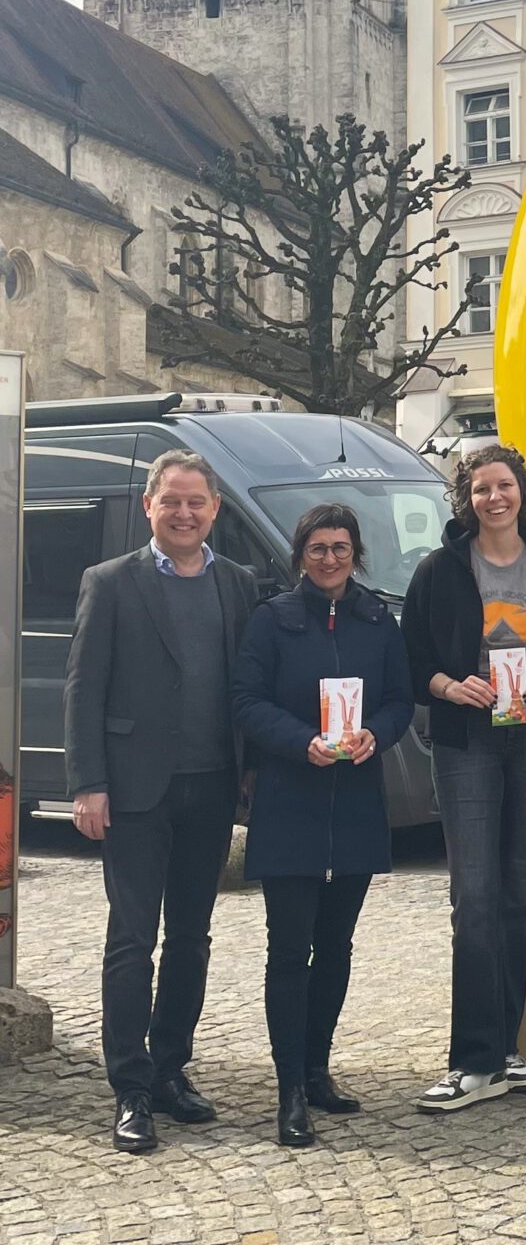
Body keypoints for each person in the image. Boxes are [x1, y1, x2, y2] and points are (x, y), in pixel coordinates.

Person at [63, 450, 257, 1153]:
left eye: (195, 502)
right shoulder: (110, 581)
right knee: (131, 940)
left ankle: (172, 1070)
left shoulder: (237, 583)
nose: (183, 513)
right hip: (134, 791)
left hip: (212, 786)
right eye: (171, 500)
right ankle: (131, 1089)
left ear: (214, 510)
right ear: (149, 506)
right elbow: (83, 687)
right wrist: (87, 783)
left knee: (192, 939)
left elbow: (246, 685)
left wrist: (252, 772)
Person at [401, 442, 526, 1111]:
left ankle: (505, 1049)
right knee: (473, 896)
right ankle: (473, 1060)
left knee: (515, 895)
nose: (493, 498)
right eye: (480, 489)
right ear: (466, 499)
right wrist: (450, 686)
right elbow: (411, 657)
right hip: (467, 739)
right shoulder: (439, 569)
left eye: (503, 486)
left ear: (521, 492)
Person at [231, 503, 414, 1146]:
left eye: (340, 548)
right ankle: (288, 1090)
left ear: (355, 554)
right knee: (289, 951)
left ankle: (317, 1071)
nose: (330, 558)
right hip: (291, 800)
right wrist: (299, 741)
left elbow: (400, 700)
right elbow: (246, 701)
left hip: (355, 802)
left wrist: (376, 734)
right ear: (300, 555)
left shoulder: (378, 620)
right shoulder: (271, 619)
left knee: (336, 946)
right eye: (318, 548)